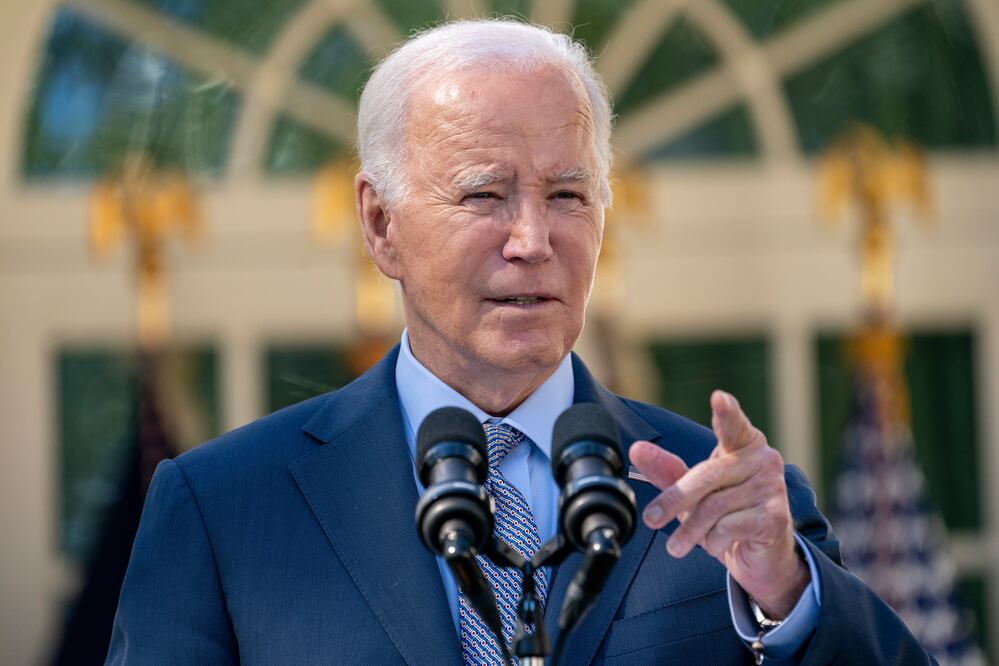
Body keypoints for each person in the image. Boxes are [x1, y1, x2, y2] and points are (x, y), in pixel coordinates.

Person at [107, 19, 932, 665]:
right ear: (379, 222)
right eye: (484, 195)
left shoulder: (723, 499)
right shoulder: (222, 510)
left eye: (569, 194)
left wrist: (786, 592)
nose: (532, 239)